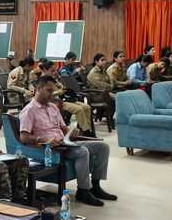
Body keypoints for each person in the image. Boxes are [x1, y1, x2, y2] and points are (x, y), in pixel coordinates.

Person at [19, 76, 115, 206]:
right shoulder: (29, 110)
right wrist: (42, 139)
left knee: (103, 147)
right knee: (82, 152)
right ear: (38, 89)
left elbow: (63, 128)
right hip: (51, 148)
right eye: (48, 90)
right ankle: (83, 191)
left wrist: (72, 132)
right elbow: (23, 137)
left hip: (65, 143)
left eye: (53, 91)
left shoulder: (52, 107)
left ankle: (95, 186)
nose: (51, 94)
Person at [37, 59, 94, 135]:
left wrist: (60, 82)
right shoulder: (42, 81)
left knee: (87, 107)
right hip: (54, 102)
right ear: (45, 70)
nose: (54, 72)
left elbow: (62, 87)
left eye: (55, 70)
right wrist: (58, 92)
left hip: (63, 99)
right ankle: (86, 131)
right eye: (52, 71)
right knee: (79, 109)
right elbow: (43, 95)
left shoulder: (52, 78)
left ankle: (85, 129)